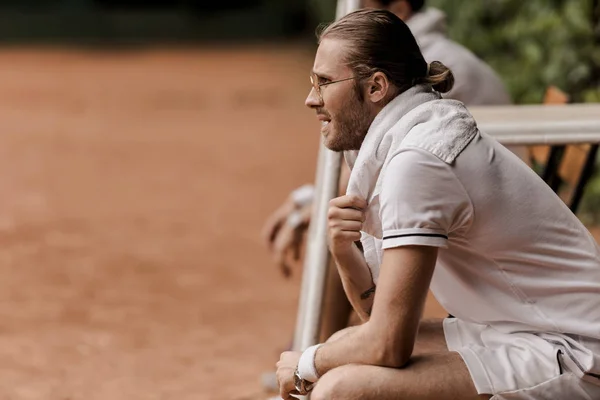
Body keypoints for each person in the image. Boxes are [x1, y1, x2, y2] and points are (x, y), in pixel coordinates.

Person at [275, 9, 600, 400]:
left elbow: (388, 345)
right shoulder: (412, 136)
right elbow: (376, 321)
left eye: (324, 82)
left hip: (577, 351)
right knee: (345, 346)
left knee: (343, 389)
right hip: (518, 331)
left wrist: (307, 362)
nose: (312, 99)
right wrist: (344, 251)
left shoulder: (419, 161)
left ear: (377, 86)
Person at [262, 0, 526, 286]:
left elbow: (362, 182)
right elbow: (364, 170)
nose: (352, 19)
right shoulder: (409, 59)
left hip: (495, 224)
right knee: (344, 233)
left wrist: (304, 215)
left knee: (349, 232)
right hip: (481, 209)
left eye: (362, 8)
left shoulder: (415, 63)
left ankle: (322, 333)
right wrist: (307, 201)